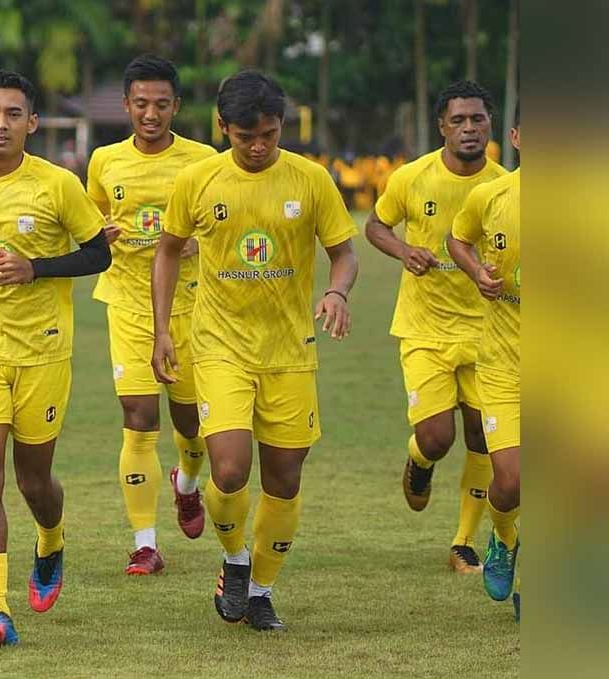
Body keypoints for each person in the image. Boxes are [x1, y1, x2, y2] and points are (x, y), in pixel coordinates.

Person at [152, 70, 358, 631]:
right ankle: (235, 558)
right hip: (220, 346)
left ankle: (262, 589)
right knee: (229, 468)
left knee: (286, 478)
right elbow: (167, 251)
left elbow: (344, 252)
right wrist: (162, 330)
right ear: (223, 128)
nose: (259, 146)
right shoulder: (197, 180)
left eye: (268, 134)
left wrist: (337, 290)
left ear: (281, 126)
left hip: (291, 350)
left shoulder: (311, 180)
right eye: (246, 137)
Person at [0, 69, 111, 647]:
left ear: (31, 122)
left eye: (13, 114)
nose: (1, 124)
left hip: (43, 351)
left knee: (34, 482)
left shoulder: (58, 185)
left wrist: (37, 268)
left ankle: (51, 537)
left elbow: (98, 254)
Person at [365, 80, 507, 574]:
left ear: (491, 125)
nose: (469, 129)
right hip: (425, 328)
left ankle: (464, 541)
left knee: (483, 436)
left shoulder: (503, 186)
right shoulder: (412, 178)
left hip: (489, 332)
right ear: (441, 126)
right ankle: (418, 462)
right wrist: (404, 250)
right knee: (436, 437)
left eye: (478, 120)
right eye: (459, 121)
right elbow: (376, 226)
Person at [86, 54, 217, 575]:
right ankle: (145, 544)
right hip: (128, 303)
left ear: (176, 107)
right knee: (139, 419)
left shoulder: (204, 160)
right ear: (126, 105)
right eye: (141, 103)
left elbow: (223, 225)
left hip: (192, 306)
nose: (151, 113)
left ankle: (186, 483)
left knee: (191, 423)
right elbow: (90, 217)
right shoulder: (104, 160)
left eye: (161, 104)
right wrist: (101, 233)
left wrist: (197, 243)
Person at [448, 105, 520, 620]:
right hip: (504, 364)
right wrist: (476, 271)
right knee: (511, 482)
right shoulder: (491, 195)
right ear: (517, 136)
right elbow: (457, 237)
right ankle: (503, 536)